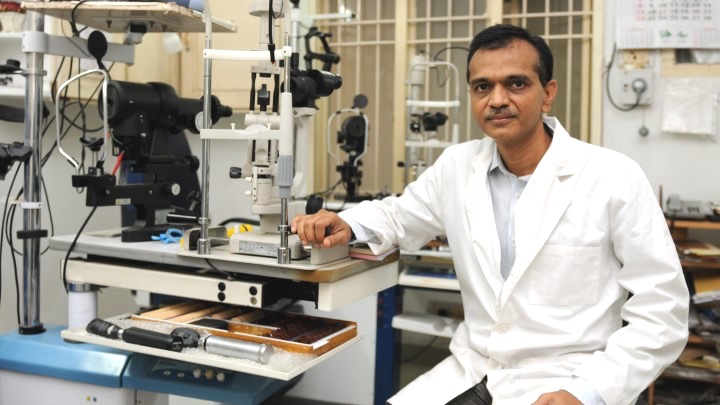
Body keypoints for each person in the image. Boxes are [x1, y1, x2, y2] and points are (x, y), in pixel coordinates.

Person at [292, 24, 689, 405]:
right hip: (475, 369)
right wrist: (349, 223)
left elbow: (662, 311)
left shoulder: (613, 176)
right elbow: (399, 215)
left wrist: (589, 392)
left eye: (516, 84)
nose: (497, 99)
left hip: (570, 379)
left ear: (548, 94)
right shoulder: (457, 165)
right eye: (483, 86)